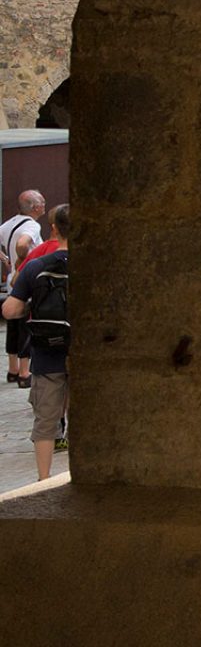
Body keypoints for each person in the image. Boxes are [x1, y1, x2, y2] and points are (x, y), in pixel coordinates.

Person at [4, 212, 69, 479]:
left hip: (47, 352)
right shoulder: (98, 265)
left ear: (54, 229)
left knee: (45, 420)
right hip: (88, 353)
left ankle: (43, 480)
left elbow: (9, 310)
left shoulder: (37, 264)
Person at [3, 188, 46, 387]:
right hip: (26, 282)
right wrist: (22, 259)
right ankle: (24, 372)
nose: (44, 206)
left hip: (12, 281)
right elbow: (23, 243)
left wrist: (6, 259)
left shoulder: (8, 224)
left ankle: (11, 370)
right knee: (25, 327)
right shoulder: (32, 226)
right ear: (36, 207)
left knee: (12, 326)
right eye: (43, 203)